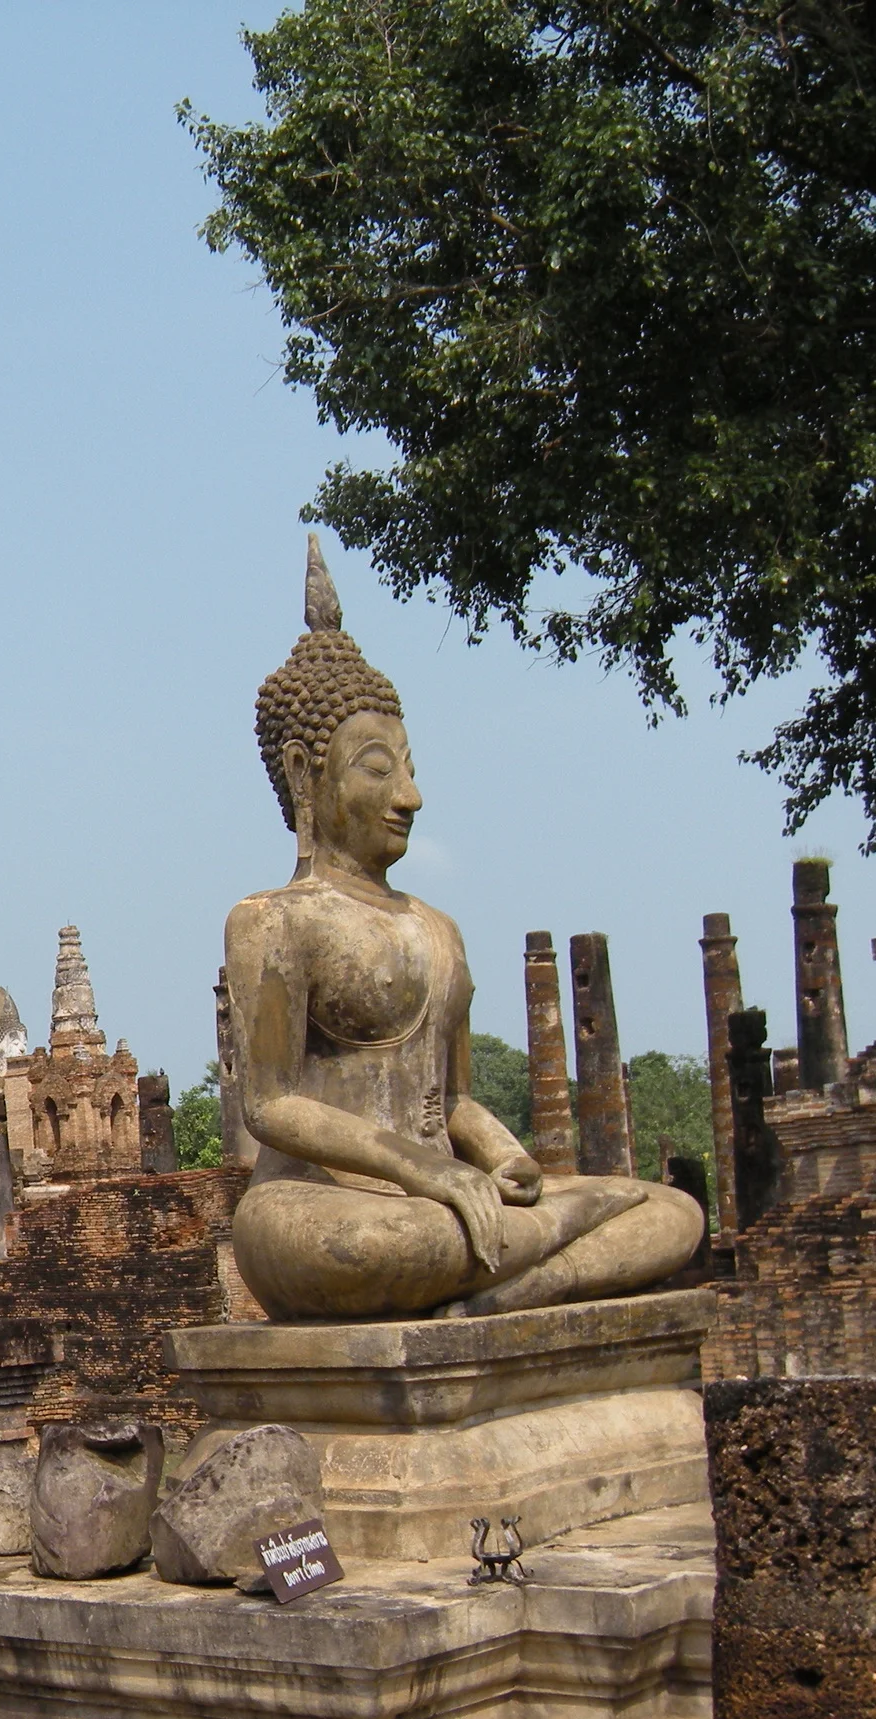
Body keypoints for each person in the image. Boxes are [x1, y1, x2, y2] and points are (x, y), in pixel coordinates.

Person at [225, 541, 701, 1320]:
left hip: (452, 1198)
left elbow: (453, 1101)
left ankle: (523, 1278)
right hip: (330, 1205)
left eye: (408, 766)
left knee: (672, 1213)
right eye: (378, 768)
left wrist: (503, 1156)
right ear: (307, 770)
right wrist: (423, 1172)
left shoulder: (437, 928)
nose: (409, 794)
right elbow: (271, 1104)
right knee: (380, 1247)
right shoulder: (272, 921)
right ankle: (539, 1255)